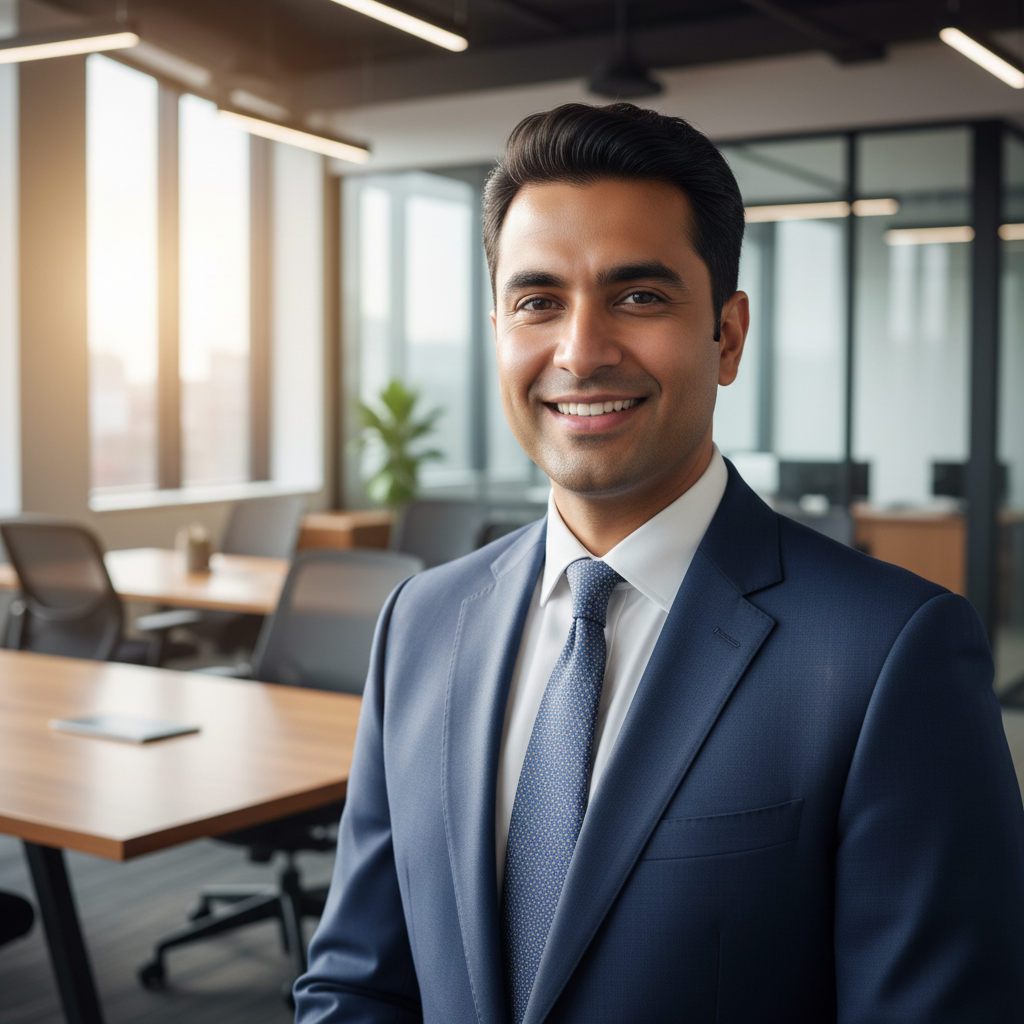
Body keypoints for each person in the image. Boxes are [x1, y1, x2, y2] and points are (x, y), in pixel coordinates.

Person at [294, 103, 1024, 1023]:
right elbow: (358, 983)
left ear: (726, 335)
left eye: (638, 297)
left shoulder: (892, 655)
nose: (581, 351)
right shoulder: (421, 623)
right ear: (497, 331)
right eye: (537, 301)